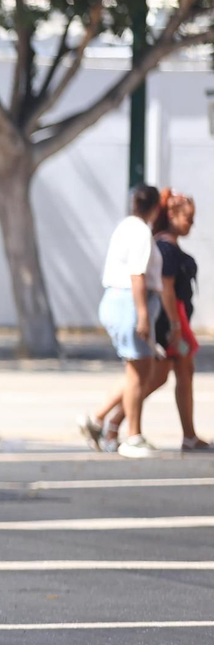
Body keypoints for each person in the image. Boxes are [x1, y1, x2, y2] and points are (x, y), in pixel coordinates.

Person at [85, 190, 204, 454]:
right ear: (169, 215)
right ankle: (126, 433)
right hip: (156, 316)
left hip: (152, 313)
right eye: (189, 218)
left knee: (154, 376)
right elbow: (148, 280)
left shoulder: (131, 229)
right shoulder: (147, 236)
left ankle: (109, 421)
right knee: (141, 375)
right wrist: (160, 320)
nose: (192, 224)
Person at [80, 185, 165, 458]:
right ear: (154, 207)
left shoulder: (125, 226)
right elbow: (137, 274)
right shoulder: (140, 231)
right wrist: (142, 314)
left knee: (139, 372)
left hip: (119, 301)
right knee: (139, 374)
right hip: (129, 303)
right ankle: (133, 437)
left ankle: (98, 418)